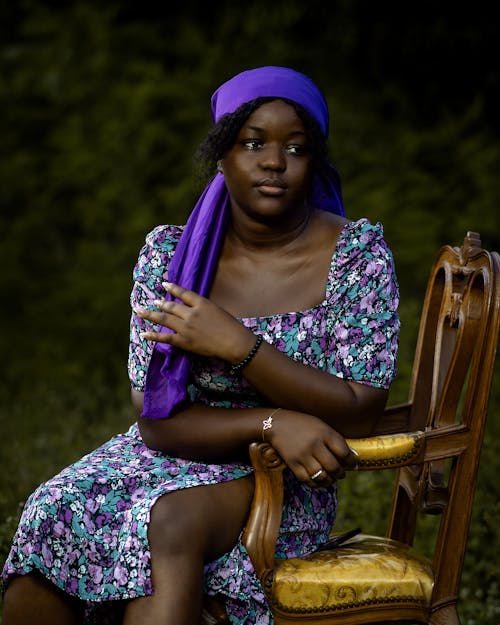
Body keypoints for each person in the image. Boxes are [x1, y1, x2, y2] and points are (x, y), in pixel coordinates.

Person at [2, 66, 400, 625]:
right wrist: (272, 420)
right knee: (49, 511)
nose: (273, 161)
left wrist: (238, 344)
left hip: (280, 478)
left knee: (170, 523)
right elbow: (157, 420)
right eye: (253, 142)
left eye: (296, 147)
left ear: (315, 161)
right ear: (222, 154)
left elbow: (362, 407)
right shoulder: (173, 258)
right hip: (173, 450)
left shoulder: (354, 256)